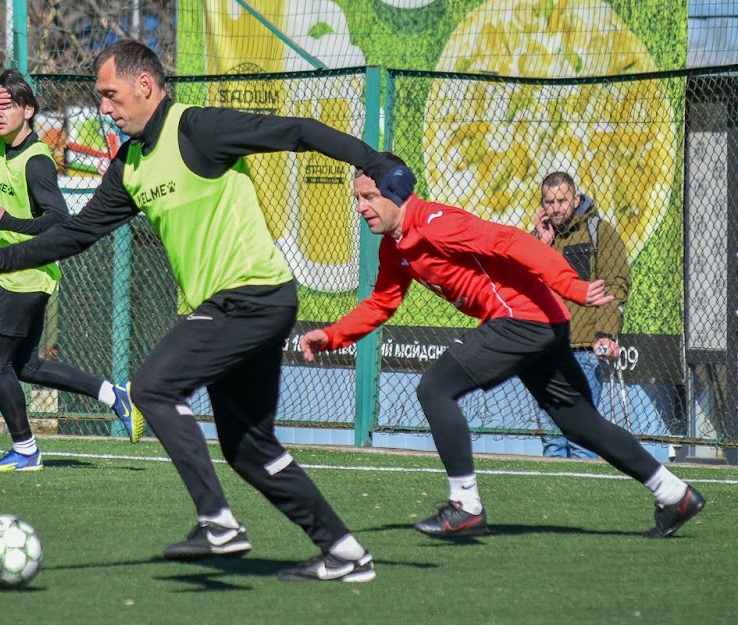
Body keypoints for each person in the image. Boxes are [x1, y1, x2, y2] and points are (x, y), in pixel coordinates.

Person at [0, 40, 415, 581]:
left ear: (144, 85)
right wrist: (1, 258)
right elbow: (78, 232)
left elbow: (295, 130)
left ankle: (217, 523)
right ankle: (344, 553)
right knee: (248, 449)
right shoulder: (129, 164)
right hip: (237, 305)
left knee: (151, 389)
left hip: (252, 296)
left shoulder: (197, 129)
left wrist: (370, 160)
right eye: (100, 98)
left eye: (110, 94)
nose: (104, 108)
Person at [299, 154, 705, 540]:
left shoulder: (435, 222)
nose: (361, 207)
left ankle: (465, 506)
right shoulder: (396, 247)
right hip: (540, 321)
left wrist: (572, 286)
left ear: (397, 190)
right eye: (357, 198)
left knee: (434, 388)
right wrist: (331, 335)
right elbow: (382, 302)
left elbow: (510, 240)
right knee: (580, 424)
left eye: (368, 196)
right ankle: (674, 495)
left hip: (522, 318)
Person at [0, 69, 143, 472]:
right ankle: (114, 395)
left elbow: (58, 220)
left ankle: (26, 449)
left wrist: (10, 223)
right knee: (25, 366)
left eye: (7, 105)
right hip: (18, 275)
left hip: (24, 276)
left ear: (28, 110)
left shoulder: (36, 161)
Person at [532, 172, 630, 459]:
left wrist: (606, 335)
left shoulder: (600, 232)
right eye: (549, 202)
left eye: (562, 200)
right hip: (545, 350)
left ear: (576, 199)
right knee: (552, 441)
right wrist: (542, 243)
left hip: (583, 350)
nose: (556, 208)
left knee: (582, 443)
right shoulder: (540, 237)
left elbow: (615, 286)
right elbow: (524, 281)